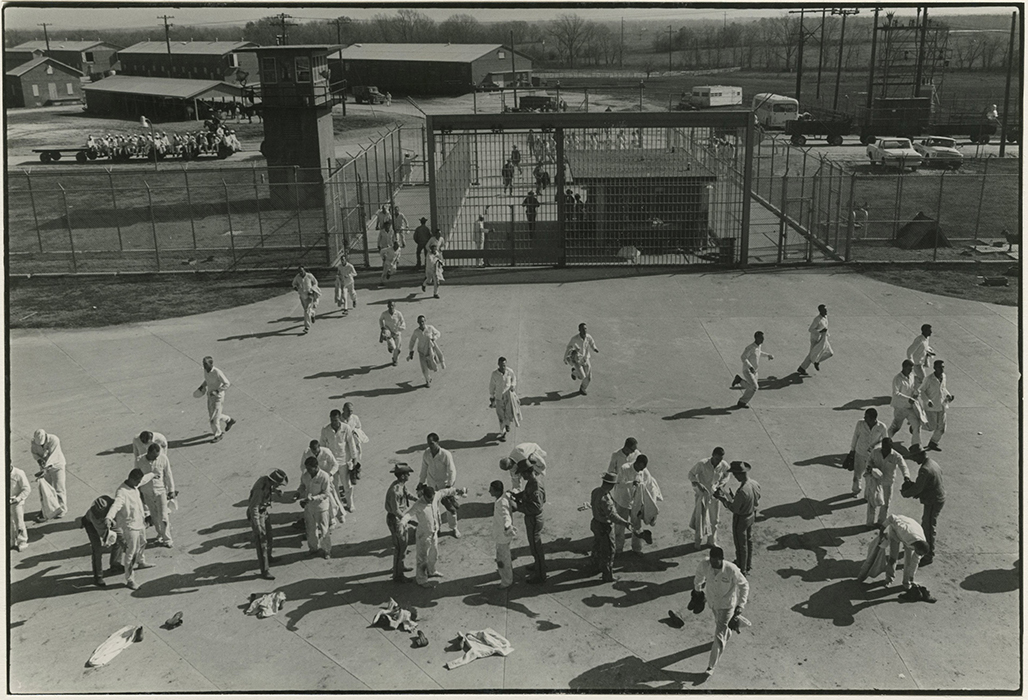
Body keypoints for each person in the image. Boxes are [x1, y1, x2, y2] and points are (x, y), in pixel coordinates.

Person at [692, 545, 750, 677]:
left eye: (715, 562)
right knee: (721, 627)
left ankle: (711, 666)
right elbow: (699, 575)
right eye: (711, 561)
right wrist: (697, 589)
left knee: (718, 636)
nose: (713, 565)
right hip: (712, 603)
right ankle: (731, 626)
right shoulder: (705, 564)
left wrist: (740, 606)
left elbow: (744, 585)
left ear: (721, 559)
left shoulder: (731, 569)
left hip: (726, 605)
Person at [400, 482, 467, 587]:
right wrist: (402, 524)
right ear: (424, 496)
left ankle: (431, 571)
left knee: (433, 555)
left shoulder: (436, 495)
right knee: (422, 559)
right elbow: (408, 514)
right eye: (428, 499)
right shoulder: (418, 505)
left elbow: (446, 491)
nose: (431, 501)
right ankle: (421, 580)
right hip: (423, 535)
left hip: (434, 533)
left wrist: (457, 490)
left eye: (432, 498)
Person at [104, 468, 150, 590]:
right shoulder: (122, 492)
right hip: (130, 527)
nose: (138, 484)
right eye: (137, 481)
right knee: (131, 552)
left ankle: (141, 562)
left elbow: (144, 479)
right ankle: (130, 580)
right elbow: (116, 505)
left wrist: (153, 474)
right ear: (132, 479)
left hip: (140, 523)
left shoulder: (135, 484)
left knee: (143, 542)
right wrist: (109, 517)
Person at [715, 461, 761, 575]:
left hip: (741, 519)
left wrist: (722, 499)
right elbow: (756, 499)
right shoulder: (755, 484)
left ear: (740, 474)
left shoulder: (742, 491)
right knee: (749, 541)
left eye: (735, 474)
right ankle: (748, 563)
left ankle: (742, 568)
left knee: (741, 545)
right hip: (751, 515)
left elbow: (734, 508)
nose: (734, 477)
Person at [902, 446, 944, 566]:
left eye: (914, 457)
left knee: (928, 527)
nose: (914, 460)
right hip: (936, 497)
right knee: (926, 523)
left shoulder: (924, 469)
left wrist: (906, 493)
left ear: (920, 455)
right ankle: (923, 546)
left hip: (933, 500)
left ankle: (928, 555)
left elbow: (918, 488)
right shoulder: (933, 463)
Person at [246, 469, 289, 580]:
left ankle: (268, 557)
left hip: (264, 512)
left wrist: (276, 491)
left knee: (269, 537)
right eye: (278, 484)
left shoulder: (267, 481)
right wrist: (257, 526)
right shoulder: (259, 489)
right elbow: (253, 508)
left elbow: (270, 488)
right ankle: (264, 570)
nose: (278, 485)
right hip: (258, 515)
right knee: (262, 543)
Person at [590, 472, 632, 583]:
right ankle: (607, 575)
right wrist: (625, 523)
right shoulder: (606, 499)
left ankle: (595, 566)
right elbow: (612, 516)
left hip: (595, 522)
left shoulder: (595, 491)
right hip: (604, 526)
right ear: (611, 485)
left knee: (597, 545)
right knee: (608, 551)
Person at [419, 432, 460, 538]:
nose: (430, 446)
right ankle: (437, 528)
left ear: (438, 442)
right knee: (434, 508)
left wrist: (449, 485)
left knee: (450, 508)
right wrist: (421, 482)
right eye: (428, 443)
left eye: (432, 443)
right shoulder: (426, 453)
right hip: (432, 485)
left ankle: (454, 528)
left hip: (444, 485)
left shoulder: (445, 454)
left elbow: (452, 470)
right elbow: (424, 468)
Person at [688, 447, 730, 547]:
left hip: (715, 496)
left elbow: (727, 475)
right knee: (700, 519)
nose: (718, 461)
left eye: (720, 459)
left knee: (714, 520)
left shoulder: (723, 465)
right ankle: (698, 541)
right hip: (702, 496)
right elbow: (691, 474)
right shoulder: (702, 464)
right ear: (712, 455)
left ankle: (712, 541)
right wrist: (698, 484)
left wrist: (721, 484)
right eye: (716, 459)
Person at [513, 460, 547, 584]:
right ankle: (538, 564)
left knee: (536, 546)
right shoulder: (532, 482)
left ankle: (540, 575)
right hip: (532, 518)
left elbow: (536, 507)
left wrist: (518, 507)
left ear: (528, 472)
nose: (522, 476)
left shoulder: (535, 485)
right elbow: (528, 494)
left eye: (522, 473)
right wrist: (518, 496)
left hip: (534, 518)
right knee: (534, 546)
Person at [320, 410, 359, 513]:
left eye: (336, 420)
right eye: (332, 420)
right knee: (334, 485)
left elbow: (351, 443)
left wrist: (354, 457)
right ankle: (339, 505)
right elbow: (322, 446)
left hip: (344, 462)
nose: (334, 422)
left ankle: (350, 504)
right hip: (332, 463)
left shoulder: (346, 428)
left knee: (347, 485)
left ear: (339, 418)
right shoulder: (325, 430)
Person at [606, 437, 639, 555]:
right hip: (621, 495)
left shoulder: (636, 454)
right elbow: (610, 471)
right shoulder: (616, 455)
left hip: (634, 494)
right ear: (626, 447)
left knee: (636, 522)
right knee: (619, 524)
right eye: (632, 449)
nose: (633, 452)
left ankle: (636, 548)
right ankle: (618, 549)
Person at [880, 513, 931, 590]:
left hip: (911, 534)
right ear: (916, 547)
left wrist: (911, 576)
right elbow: (892, 517)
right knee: (893, 558)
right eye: (918, 552)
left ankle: (907, 582)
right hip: (896, 531)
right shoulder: (904, 530)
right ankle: (889, 579)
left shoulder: (921, 545)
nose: (918, 554)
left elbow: (914, 562)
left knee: (909, 562)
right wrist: (881, 531)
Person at [865, 437, 909, 527]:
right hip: (875, 481)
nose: (885, 450)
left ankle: (881, 522)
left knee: (885, 504)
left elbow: (904, 467)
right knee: (871, 502)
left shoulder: (896, 456)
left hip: (887, 483)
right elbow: (869, 461)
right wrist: (870, 467)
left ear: (891, 447)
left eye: (887, 448)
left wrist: (906, 477)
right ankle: (869, 523)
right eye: (884, 448)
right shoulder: (875, 452)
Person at [139, 443, 177, 548]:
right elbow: (138, 475)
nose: (156, 458)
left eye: (157, 456)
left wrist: (171, 489)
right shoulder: (140, 461)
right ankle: (160, 533)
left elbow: (168, 473)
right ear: (149, 453)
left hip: (160, 491)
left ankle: (167, 539)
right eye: (154, 456)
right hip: (147, 492)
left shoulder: (163, 458)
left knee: (164, 516)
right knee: (154, 516)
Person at [296, 457, 334, 559]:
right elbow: (302, 486)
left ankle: (327, 550)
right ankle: (313, 548)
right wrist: (298, 493)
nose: (308, 471)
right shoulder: (305, 475)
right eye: (307, 469)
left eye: (310, 469)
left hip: (321, 508)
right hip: (308, 508)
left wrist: (313, 498)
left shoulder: (324, 476)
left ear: (316, 467)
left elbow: (326, 493)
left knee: (324, 530)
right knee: (310, 529)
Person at [847, 408, 888, 496]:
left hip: (873, 456)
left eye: (867, 417)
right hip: (860, 453)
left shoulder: (882, 427)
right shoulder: (860, 423)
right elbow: (855, 436)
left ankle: (868, 495)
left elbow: (885, 441)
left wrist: (876, 446)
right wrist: (852, 450)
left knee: (870, 476)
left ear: (873, 418)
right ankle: (856, 490)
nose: (864, 418)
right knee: (857, 474)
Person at [385, 463, 415, 583]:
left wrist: (419, 500)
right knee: (400, 547)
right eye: (407, 473)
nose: (408, 475)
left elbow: (408, 495)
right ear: (402, 476)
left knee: (404, 545)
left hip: (400, 519)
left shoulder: (401, 486)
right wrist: (408, 520)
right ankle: (398, 575)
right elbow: (396, 510)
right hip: (396, 520)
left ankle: (400, 567)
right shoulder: (395, 491)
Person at [887, 360, 925, 450]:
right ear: (903, 367)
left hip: (910, 407)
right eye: (909, 369)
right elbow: (896, 393)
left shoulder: (911, 376)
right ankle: (886, 441)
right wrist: (908, 399)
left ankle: (916, 445)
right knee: (896, 427)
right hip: (900, 408)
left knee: (916, 424)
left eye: (911, 369)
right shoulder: (897, 379)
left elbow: (912, 388)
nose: (910, 371)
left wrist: (916, 393)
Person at [31, 429, 67, 520]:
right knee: (46, 490)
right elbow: (34, 453)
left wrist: (44, 467)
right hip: (45, 468)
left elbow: (53, 456)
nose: (41, 445)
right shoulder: (34, 443)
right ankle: (48, 509)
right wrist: (39, 461)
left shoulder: (54, 439)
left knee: (59, 489)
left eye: (42, 444)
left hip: (57, 466)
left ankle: (61, 509)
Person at [629, 455, 662, 553]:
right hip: (625, 500)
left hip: (637, 503)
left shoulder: (645, 473)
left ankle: (636, 549)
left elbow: (650, 490)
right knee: (623, 525)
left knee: (636, 524)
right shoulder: (627, 469)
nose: (642, 470)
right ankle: (618, 549)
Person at [919, 359, 954, 452]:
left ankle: (933, 443)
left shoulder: (943, 376)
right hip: (931, 407)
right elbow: (921, 391)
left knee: (942, 428)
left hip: (941, 405)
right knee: (932, 427)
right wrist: (927, 401)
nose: (941, 369)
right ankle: (917, 424)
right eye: (939, 367)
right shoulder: (929, 379)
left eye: (942, 367)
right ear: (934, 368)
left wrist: (948, 396)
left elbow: (943, 388)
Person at [732, 332, 773, 409]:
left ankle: (739, 381)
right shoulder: (750, 348)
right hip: (748, 370)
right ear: (756, 338)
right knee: (754, 386)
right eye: (761, 338)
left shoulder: (758, 346)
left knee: (752, 387)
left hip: (755, 371)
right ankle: (742, 401)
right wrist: (750, 366)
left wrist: (768, 355)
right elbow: (743, 357)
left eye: (763, 338)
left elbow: (759, 353)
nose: (763, 339)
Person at [198, 356, 235, 442]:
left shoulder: (217, 372)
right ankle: (229, 420)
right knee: (214, 415)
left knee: (213, 418)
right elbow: (207, 380)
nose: (204, 365)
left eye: (206, 364)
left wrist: (217, 391)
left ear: (211, 364)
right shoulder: (205, 371)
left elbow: (227, 383)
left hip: (218, 397)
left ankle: (218, 434)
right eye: (203, 363)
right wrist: (202, 386)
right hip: (210, 396)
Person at [81, 494, 115, 587]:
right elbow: (104, 534)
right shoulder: (95, 517)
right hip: (90, 525)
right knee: (97, 549)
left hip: (107, 522)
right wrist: (108, 540)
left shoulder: (111, 503)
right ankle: (98, 576)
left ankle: (116, 564)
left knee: (119, 540)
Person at [490, 480, 518, 589]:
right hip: (501, 536)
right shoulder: (503, 497)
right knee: (504, 557)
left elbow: (506, 516)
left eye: (491, 490)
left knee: (503, 559)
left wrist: (508, 526)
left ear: (497, 491)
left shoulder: (501, 503)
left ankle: (506, 581)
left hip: (502, 537)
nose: (489, 491)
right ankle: (506, 576)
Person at [489, 356, 522, 442]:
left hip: (509, 397)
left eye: (504, 365)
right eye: (501, 365)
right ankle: (503, 433)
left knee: (509, 413)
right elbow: (492, 386)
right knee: (501, 416)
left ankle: (507, 424)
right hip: (499, 398)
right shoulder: (494, 374)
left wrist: (513, 386)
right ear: (498, 364)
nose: (503, 366)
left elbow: (514, 379)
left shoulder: (510, 371)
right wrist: (492, 397)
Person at [408, 315, 445, 388]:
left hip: (430, 351)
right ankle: (428, 380)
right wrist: (411, 350)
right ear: (417, 322)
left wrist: (434, 338)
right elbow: (412, 341)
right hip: (421, 352)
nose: (421, 323)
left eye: (423, 321)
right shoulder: (416, 332)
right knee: (424, 369)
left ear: (425, 321)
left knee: (431, 366)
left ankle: (440, 363)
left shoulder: (430, 328)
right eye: (420, 322)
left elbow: (438, 333)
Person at [565, 322, 600, 395]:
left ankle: (582, 388)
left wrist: (594, 348)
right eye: (582, 329)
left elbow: (591, 342)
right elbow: (569, 347)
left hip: (586, 358)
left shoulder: (588, 337)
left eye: (585, 329)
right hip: (577, 360)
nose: (584, 331)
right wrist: (565, 358)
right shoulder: (575, 339)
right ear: (579, 330)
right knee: (582, 376)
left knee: (589, 377)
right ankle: (574, 372)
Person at [797, 304, 830, 375]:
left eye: (826, 309)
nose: (826, 311)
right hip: (816, 339)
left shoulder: (825, 317)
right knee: (811, 354)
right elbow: (810, 329)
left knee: (830, 353)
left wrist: (826, 333)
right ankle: (802, 368)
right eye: (824, 310)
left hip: (823, 338)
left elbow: (826, 326)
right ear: (820, 311)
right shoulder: (817, 320)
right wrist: (820, 332)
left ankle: (816, 360)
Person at [9, 463, 31, 552]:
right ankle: (10, 541)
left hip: (17, 502)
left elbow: (27, 489)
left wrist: (18, 498)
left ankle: (22, 542)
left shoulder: (19, 473)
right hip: (7, 502)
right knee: (9, 523)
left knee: (19, 522)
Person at [291, 266, 320, 334]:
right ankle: (313, 314)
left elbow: (315, 282)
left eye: (302, 271)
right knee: (307, 310)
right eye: (299, 272)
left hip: (309, 295)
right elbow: (293, 284)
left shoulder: (309, 276)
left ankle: (307, 327)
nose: (300, 273)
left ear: (304, 270)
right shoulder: (297, 277)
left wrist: (313, 289)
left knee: (306, 311)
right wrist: (295, 287)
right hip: (302, 296)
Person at [379, 300, 406, 366]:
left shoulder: (398, 313)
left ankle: (394, 358)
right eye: (389, 306)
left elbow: (403, 322)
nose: (391, 307)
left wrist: (400, 328)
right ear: (387, 306)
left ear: (394, 306)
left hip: (397, 332)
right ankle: (390, 346)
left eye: (392, 305)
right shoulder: (384, 314)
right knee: (393, 346)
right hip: (388, 331)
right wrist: (382, 327)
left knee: (398, 349)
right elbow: (380, 319)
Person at [378, 221, 400, 285]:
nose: (388, 226)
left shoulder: (392, 231)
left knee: (394, 270)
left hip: (391, 249)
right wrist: (379, 246)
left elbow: (398, 254)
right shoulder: (382, 232)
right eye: (387, 225)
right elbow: (379, 239)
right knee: (385, 269)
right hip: (385, 249)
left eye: (389, 225)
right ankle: (382, 281)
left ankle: (389, 273)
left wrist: (397, 260)